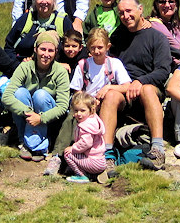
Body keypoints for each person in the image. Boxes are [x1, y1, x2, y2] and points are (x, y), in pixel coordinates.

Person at [99, 0, 172, 176]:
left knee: (147, 90)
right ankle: (106, 155)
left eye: (129, 11)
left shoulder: (156, 37)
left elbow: (163, 70)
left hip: (149, 88)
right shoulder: (117, 37)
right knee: (111, 95)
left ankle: (157, 149)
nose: (126, 16)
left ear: (140, 10)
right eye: (121, 13)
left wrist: (141, 81)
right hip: (123, 89)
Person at [45, 27, 132, 175]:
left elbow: (126, 85)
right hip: (88, 104)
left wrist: (108, 89)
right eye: (93, 48)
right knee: (72, 116)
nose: (97, 51)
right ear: (88, 48)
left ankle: (104, 154)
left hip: (108, 102)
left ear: (107, 47)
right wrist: (87, 103)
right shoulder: (83, 64)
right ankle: (58, 156)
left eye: (100, 47)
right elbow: (77, 91)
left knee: (108, 100)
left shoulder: (114, 63)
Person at [1, 31, 71, 161]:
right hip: (27, 112)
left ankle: (39, 145)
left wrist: (40, 118)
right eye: (42, 49)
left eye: (50, 50)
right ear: (35, 49)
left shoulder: (61, 72)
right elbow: (7, 96)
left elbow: (63, 106)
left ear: (56, 52)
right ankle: (25, 142)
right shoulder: (24, 67)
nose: (46, 54)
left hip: (48, 115)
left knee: (40, 95)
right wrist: (29, 113)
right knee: (19, 93)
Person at [4, 0, 68, 61]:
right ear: (34, 0)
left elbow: (74, 48)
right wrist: (18, 64)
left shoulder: (63, 21)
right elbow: (8, 47)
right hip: (23, 67)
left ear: (54, 0)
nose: (44, 1)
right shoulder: (26, 19)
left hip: (55, 70)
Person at [62, 92, 107, 182]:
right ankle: (93, 174)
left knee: (68, 154)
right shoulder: (94, 120)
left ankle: (82, 175)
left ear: (91, 110)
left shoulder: (86, 126)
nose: (79, 114)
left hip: (93, 162)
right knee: (75, 152)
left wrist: (73, 148)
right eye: (76, 110)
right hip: (100, 160)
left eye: (82, 111)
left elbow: (86, 143)